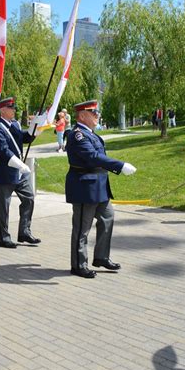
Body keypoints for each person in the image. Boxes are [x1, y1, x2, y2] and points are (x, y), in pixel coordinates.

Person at [65, 100, 137, 278]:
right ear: (82, 115)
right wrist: (119, 166)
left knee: (108, 218)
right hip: (85, 188)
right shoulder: (78, 135)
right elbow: (92, 156)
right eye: (93, 112)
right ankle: (78, 265)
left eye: (97, 112)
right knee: (83, 228)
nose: (97, 115)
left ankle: (101, 257)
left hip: (99, 187)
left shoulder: (92, 134)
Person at [0, 97, 42, 248]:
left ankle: (24, 231)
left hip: (19, 171)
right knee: (3, 206)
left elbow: (23, 138)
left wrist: (33, 128)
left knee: (29, 198)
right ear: (3, 110)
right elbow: (3, 150)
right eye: (11, 108)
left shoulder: (15, 124)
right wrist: (19, 164)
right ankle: (3, 237)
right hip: (5, 172)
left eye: (14, 108)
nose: (14, 110)